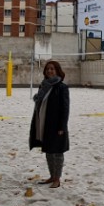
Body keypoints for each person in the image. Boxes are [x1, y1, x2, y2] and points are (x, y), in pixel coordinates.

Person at [29, 60, 70, 188]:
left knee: (57, 152)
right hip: (43, 123)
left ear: (57, 71)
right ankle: (52, 176)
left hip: (56, 125)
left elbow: (65, 108)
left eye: (52, 69)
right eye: (47, 69)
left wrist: (62, 127)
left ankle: (57, 178)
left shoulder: (62, 87)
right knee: (48, 151)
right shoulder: (43, 86)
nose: (49, 71)